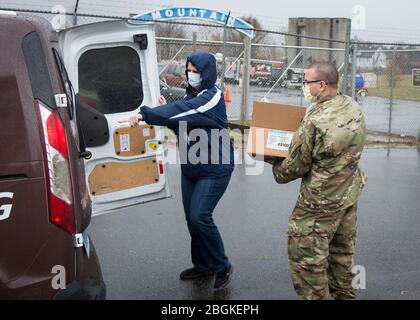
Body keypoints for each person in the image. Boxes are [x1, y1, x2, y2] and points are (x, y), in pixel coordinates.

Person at [121, 52, 234, 290]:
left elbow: (185, 110)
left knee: (200, 216)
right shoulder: (190, 95)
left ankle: (222, 265)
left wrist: (146, 114)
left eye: (196, 70)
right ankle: (203, 265)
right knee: (191, 220)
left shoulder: (212, 97)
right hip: (192, 167)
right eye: (189, 69)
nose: (190, 74)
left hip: (215, 168)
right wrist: (168, 114)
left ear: (207, 73)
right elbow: (182, 123)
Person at [267, 61, 367, 300]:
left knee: (308, 264)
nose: (305, 86)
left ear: (321, 85)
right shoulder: (352, 107)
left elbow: (293, 167)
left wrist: (273, 162)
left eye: (307, 82)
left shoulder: (315, 119)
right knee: (342, 258)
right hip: (347, 198)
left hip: (318, 205)